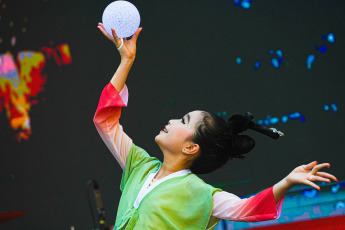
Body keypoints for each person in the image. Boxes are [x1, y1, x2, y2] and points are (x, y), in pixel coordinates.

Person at [94, 23, 338, 230]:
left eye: (184, 121)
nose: (172, 121)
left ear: (191, 147)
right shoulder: (139, 165)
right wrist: (127, 60)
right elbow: (105, 121)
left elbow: (248, 209)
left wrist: (287, 182)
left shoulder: (201, 193)